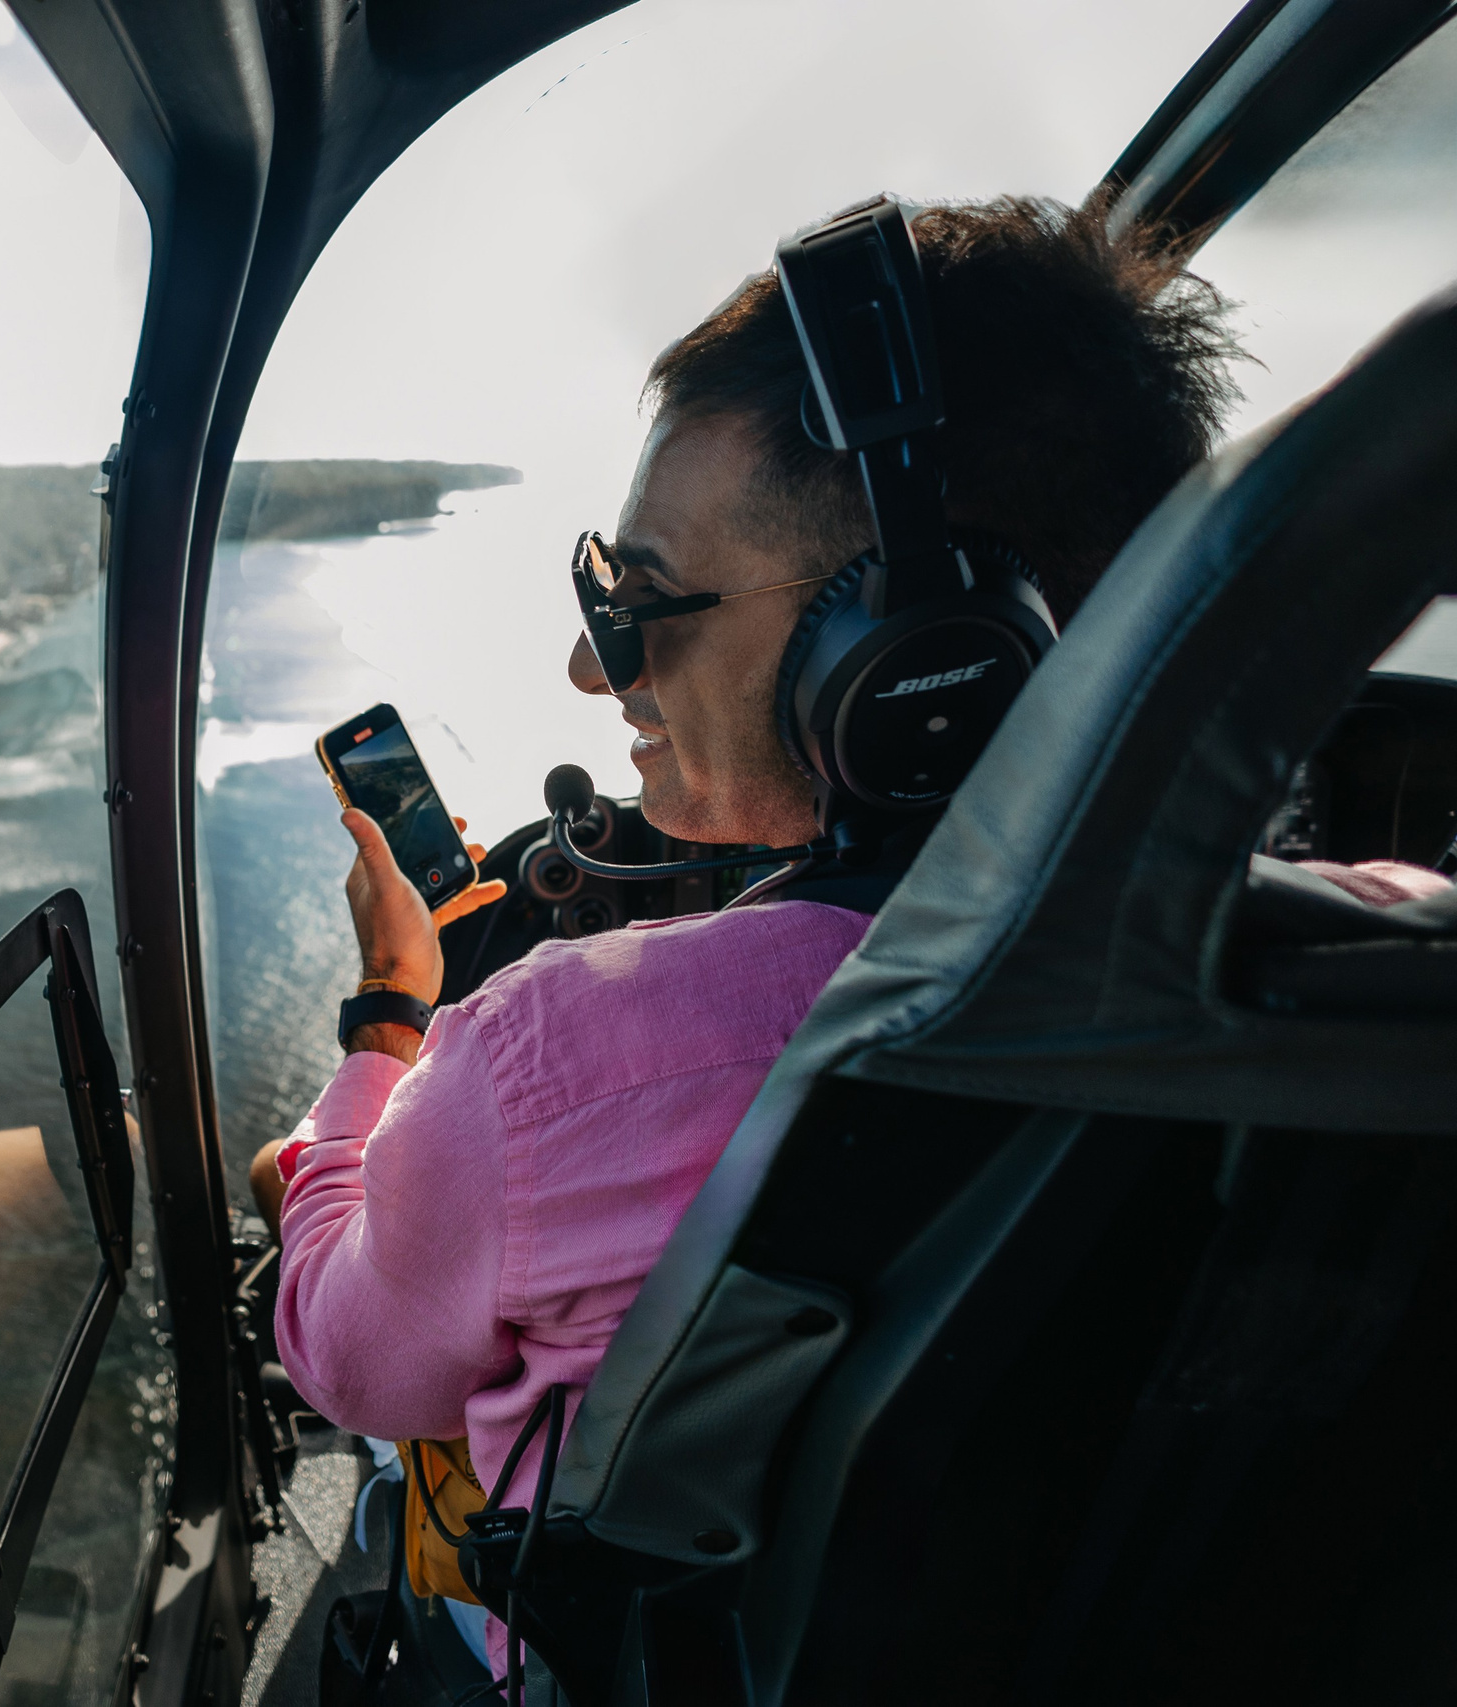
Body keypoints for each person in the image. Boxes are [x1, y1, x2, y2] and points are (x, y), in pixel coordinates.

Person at [249, 196, 1262, 1677]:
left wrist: (384, 1034)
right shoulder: (1343, 973)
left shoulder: (553, 1055)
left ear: (925, 657)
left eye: (646, 604)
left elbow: (344, 1358)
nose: (594, 666)